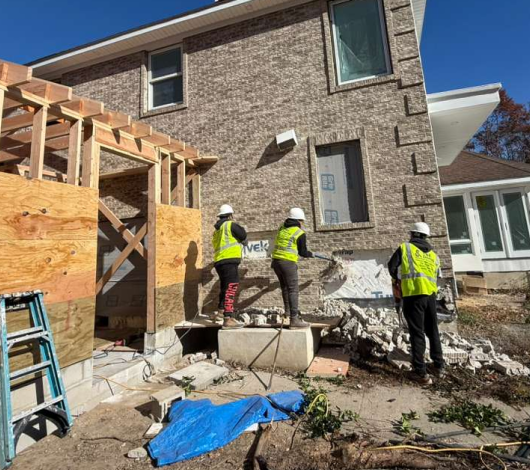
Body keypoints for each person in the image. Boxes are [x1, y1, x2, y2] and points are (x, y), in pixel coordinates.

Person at [387, 222, 444, 385]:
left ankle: (420, 372)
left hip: (413, 295)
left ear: (413, 234)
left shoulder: (405, 248)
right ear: (426, 236)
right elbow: (437, 275)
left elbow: (391, 266)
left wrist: (397, 280)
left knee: (417, 333)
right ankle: (439, 366)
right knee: (432, 330)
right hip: (431, 296)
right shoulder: (434, 254)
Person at [271, 208, 315, 329]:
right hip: (288, 263)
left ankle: (288, 312)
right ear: (299, 220)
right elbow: (303, 252)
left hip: (276, 262)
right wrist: (310, 254)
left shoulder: (282, 227)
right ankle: (294, 320)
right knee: (293, 290)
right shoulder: (299, 233)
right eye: (302, 221)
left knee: (285, 288)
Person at [212, 204, 247, 329]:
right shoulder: (229, 225)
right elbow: (242, 234)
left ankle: (221, 313)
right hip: (229, 261)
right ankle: (228, 318)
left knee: (224, 287)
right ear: (230, 215)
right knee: (231, 287)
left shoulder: (216, 230)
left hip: (219, 262)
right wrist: (242, 240)